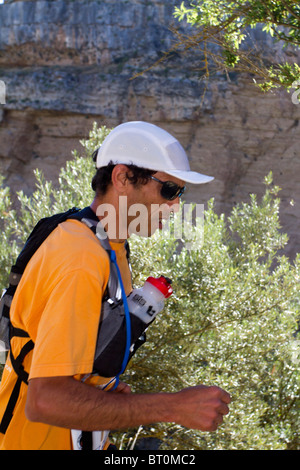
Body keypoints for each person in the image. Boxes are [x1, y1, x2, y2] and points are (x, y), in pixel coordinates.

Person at [0, 121, 230, 450]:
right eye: (168, 190)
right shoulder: (80, 258)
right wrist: (173, 407)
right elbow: (45, 400)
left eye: (181, 193)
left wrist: (98, 390)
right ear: (122, 178)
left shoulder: (109, 246)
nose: (176, 205)